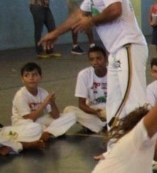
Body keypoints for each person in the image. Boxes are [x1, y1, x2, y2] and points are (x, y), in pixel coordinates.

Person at [41, 0, 149, 129]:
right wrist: (55, 33)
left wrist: (91, 20)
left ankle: (144, 144)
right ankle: (116, 144)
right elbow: (78, 15)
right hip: (115, 51)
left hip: (128, 46)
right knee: (114, 104)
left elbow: (115, 10)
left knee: (134, 102)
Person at [11, 63, 77, 141]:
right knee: (34, 127)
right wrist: (45, 103)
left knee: (72, 116)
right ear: (22, 79)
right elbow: (30, 118)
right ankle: (46, 131)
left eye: (34, 75)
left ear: (40, 77)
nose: (31, 78)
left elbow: (56, 116)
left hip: (39, 121)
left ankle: (46, 133)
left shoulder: (43, 92)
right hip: (23, 123)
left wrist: (52, 102)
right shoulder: (20, 95)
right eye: (27, 75)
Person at [65, 46, 111, 134]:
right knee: (68, 110)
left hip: (111, 109)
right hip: (93, 110)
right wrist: (95, 112)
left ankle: (97, 124)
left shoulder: (114, 73)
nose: (95, 62)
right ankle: (105, 124)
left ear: (106, 59)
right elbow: (81, 104)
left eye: (98, 58)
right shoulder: (84, 75)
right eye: (92, 59)